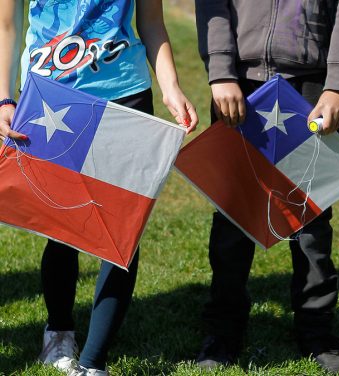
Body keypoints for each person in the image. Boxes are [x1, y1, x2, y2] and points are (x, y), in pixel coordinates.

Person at [0, 1, 198, 375]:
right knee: (60, 226)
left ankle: (95, 362)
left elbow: (152, 21)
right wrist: (4, 98)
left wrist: (171, 86)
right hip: (52, 97)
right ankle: (59, 333)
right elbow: (6, 25)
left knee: (122, 230)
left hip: (125, 92)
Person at [194, 0, 339, 373]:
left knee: (311, 219)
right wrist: (221, 70)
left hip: (313, 83)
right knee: (233, 215)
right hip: (239, 82)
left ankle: (316, 329)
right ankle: (223, 331)